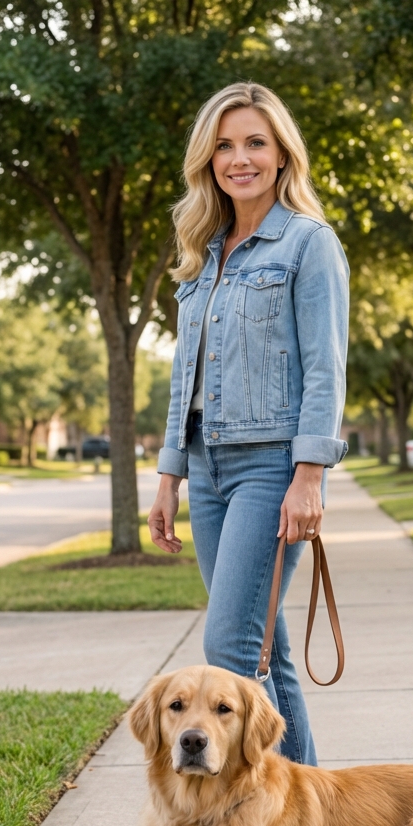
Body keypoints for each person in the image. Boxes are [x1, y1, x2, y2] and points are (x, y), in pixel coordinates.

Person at [147, 82, 349, 766]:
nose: (240, 158)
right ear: (208, 160)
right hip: (207, 469)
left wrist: (308, 477)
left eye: (255, 143)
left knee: (231, 648)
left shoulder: (307, 245)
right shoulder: (203, 255)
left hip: (270, 468)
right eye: (225, 145)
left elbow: (325, 368)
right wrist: (170, 473)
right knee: (269, 650)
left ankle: (267, 820)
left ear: (281, 153)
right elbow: (186, 376)